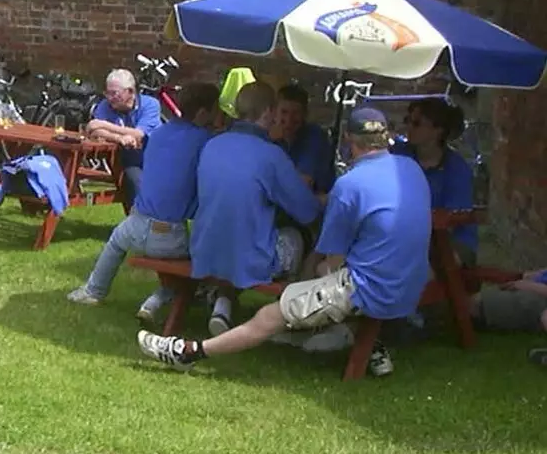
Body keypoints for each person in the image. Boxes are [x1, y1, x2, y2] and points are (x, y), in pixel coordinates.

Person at [139, 107, 430, 378]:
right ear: (385, 136)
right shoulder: (411, 169)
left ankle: (189, 352)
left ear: (348, 139)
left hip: (373, 290)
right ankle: (363, 341)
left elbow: (331, 260)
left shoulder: (349, 185)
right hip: (411, 284)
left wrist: (300, 287)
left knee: (271, 313)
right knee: (312, 270)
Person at [68, 83, 222, 323]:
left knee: (115, 243)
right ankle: (158, 300)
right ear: (203, 114)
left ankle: (93, 291)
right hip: (170, 235)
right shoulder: (205, 140)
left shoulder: (159, 133)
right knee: (200, 263)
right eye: (216, 110)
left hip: (135, 223)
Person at [187, 82, 321, 336]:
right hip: (251, 259)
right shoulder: (270, 155)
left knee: (243, 230)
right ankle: (290, 319)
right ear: (269, 112)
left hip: (203, 250)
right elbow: (307, 210)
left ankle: (224, 302)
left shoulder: (212, 145)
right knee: (298, 237)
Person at [394, 97, 479, 266]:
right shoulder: (397, 155)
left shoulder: (456, 169)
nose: (409, 127)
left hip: (450, 241)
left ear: (437, 130)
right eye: (407, 121)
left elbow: (452, 219)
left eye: (417, 123)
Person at [86, 68, 163, 208]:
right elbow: (94, 131)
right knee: (136, 183)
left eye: (114, 93)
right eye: (107, 93)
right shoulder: (105, 105)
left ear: (130, 92)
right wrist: (119, 138)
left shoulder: (151, 105)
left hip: (156, 158)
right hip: (129, 159)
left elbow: (138, 134)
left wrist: (105, 124)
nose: (110, 98)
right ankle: (138, 223)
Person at [470, 269, 547, 366]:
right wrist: (533, 275)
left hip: (537, 297)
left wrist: (529, 286)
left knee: (473, 306)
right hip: (530, 287)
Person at [273, 84, 335, 194]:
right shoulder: (267, 137)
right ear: (274, 113)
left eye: (296, 113)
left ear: (305, 115)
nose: (289, 120)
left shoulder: (314, 137)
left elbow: (302, 184)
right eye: (284, 112)